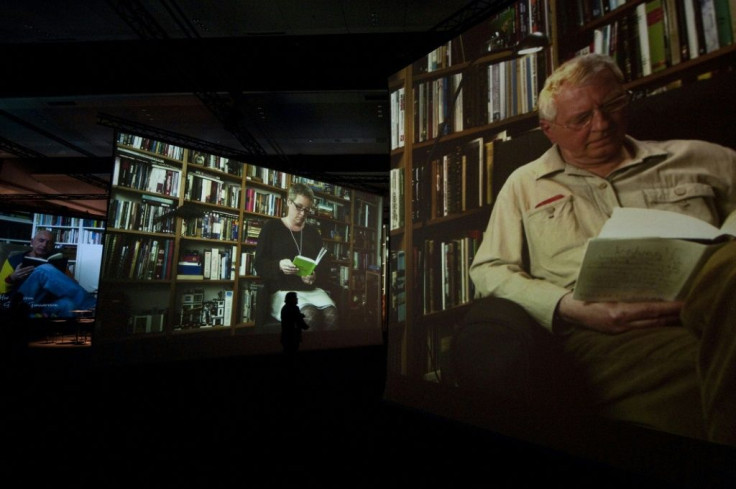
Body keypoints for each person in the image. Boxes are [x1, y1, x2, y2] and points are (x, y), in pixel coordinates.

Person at [469, 53, 736, 446]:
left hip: (716, 302)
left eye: (611, 105)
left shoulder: (698, 157)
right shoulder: (525, 185)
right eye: (581, 119)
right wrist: (567, 307)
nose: (603, 124)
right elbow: (489, 269)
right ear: (549, 129)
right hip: (608, 335)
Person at [254, 183, 338, 329]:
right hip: (283, 291)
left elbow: (325, 267)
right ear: (288, 201)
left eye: (307, 210)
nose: (302, 214)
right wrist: (278, 265)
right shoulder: (271, 228)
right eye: (299, 207)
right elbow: (259, 264)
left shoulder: (313, 233)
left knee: (332, 315)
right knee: (309, 315)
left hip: (311, 291)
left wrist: (315, 275)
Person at [0, 229, 96, 318]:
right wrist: (12, 277)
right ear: (32, 241)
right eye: (41, 240)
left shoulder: (55, 261)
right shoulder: (13, 260)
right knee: (43, 270)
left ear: (52, 246)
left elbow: (73, 284)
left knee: (69, 304)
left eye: (49, 243)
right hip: (21, 302)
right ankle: (92, 306)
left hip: (45, 304)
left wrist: (60, 273)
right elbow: (1, 291)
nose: (44, 245)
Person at [280, 291, 309, 357]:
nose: (297, 299)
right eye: (295, 298)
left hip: (285, 337)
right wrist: (306, 327)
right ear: (291, 299)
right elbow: (298, 320)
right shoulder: (295, 308)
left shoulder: (284, 308)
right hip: (293, 336)